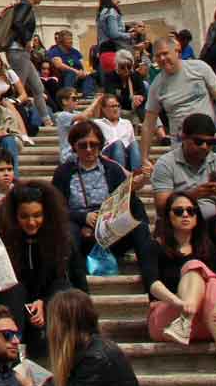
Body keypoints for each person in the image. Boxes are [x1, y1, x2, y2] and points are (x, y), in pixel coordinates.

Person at [52, 117, 158, 293]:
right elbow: (56, 207)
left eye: (93, 144)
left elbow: (127, 200)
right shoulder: (63, 172)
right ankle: (80, 294)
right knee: (68, 235)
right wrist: (83, 218)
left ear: (100, 146)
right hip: (79, 230)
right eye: (83, 145)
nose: (88, 149)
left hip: (111, 230)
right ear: (74, 146)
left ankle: (153, 287)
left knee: (140, 229)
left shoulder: (113, 169)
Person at [152, 189, 216, 373]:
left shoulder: (207, 247)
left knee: (211, 282)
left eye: (191, 210)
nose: (185, 214)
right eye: (178, 211)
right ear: (168, 216)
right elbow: (152, 284)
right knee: (195, 266)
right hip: (167, 321)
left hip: (203, 322)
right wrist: (180, 304)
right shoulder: (156, 246)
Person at [0, 182, 77, 361]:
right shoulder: (3, 240)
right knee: (12, 290)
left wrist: (44, 303)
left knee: (63, 288)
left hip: (49, 310)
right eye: (24, 216)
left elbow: (68, 282)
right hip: (15, 310)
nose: (31, 223)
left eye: (37, 216)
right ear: (15, 216)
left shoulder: (61, 239)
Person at [141, 35, 216, 163]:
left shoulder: (200, 68)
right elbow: (149, 123)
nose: (162, 58)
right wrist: (144, 157)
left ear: (177, 51)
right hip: (182, 147)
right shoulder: (156, 85)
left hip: (209, 140)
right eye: (157, 56)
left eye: (165, 53)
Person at [151, 111, 216, 228]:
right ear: (184, 138)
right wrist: (193, 195)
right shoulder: (166, 163)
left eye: (209, 143)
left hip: (213, 222)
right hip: (177, 223)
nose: (204, 147)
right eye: (198, 142)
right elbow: (161, 207)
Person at [3, 0, 54, 125]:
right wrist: (26, 40)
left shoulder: (25, 6)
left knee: (38, 87)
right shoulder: (25, 6)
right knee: (19, 89)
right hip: (18, 50)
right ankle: (12, 121)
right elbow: (17, 23)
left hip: (22, 52)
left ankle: (46, 119)